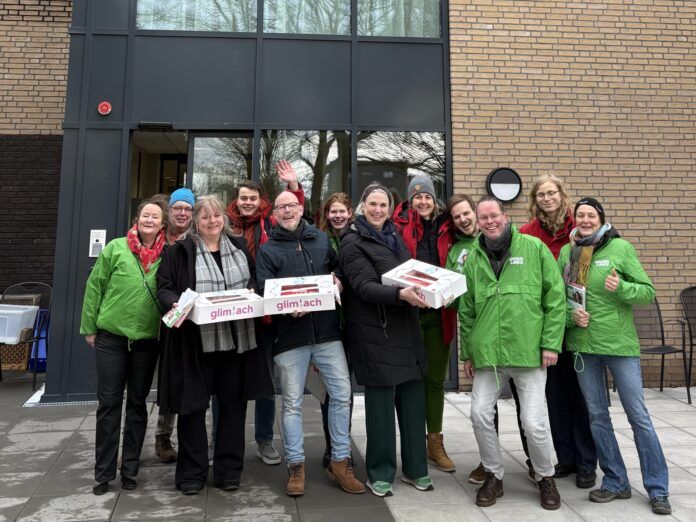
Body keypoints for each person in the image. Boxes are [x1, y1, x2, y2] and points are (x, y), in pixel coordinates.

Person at [558, 197, 671, 515]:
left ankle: (658, 488)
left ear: (601, 219)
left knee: (638, 417)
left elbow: (647, 291)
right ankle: (615, 480)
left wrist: (621, 287)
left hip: (619, 346)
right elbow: (559, 297)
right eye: (580, 215)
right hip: (583, 347)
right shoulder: (569, 252)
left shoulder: (620, 248)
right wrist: (570, 317)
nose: (585, 220)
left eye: (591, 215)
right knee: (597, 416)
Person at [157, 195, 271, 495]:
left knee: (233, 408)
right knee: (192, 410)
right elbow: (164, 287)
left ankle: (229, 471)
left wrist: (252, 292)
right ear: (196, 221)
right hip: (195, 344)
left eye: (216, 215)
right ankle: (192, 474)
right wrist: (176, 303)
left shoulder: (240, 248)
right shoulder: (180, 251)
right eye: (205, 216)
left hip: (235, 344)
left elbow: (255, 281)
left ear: (224, 218)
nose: (212, 221)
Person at [256, 190, 365, 497]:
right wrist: (285, 307)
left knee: (341, 395)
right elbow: (264, 288)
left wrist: (337, 279)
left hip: (327, 334)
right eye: (281, 207)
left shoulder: (320, 239)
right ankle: (296, 465)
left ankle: (340, 461)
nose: (287, 211)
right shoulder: (268, 250)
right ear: (274, 214)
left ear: (300, 208)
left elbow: (338, 268)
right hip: (290, 338)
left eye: (292, 205)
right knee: (291, 403)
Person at [459, 196, 565, 510]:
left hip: (527, 350)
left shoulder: (534, 248)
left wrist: (550, 344)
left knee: (533, 422)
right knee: (479, 413)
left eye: (494, 215)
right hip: (488, 354)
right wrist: (468, 353)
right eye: (483, 218)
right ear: (478, 222)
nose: (489, 221)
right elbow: (467, 310)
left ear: (505, 216)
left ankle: (545, 476)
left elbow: (555, 299)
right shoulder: (473, 258)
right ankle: (494, 474)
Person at [340, 183, 433, 497]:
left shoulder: (395, 236)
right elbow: (364, 287)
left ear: (390, 209)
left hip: (406, 329)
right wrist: (400, 295)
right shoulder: (352, 241)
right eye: (373, 204)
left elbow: (410, 274)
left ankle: (416, 469)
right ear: (362, 206)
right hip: (375, 332)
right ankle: (380, 472)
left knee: (413, 402)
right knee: (380, 408)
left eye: (383, 205)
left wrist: (430, 290)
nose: (378, 210)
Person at [80, 198, 168, 495]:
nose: (149, 220)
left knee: (137, 405)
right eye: (145, 215)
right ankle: (103, 472)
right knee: (109, 405)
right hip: (111, 339)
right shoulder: (116, 248)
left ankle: (130, 468)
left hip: (146, 341)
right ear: (137, 219)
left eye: (155, 217)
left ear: (162, 224)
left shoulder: (166, 254)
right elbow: (95, 286)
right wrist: (89, 326)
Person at [223, 160, 305, 466]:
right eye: (243, 197)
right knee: (226, 382)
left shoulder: (270, 222)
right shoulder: (224, 224)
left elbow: (294, 213)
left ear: (261, 201)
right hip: (231, 314)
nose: (247, 202)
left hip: (266, 316)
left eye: (253, 198)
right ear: (237, 199)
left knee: (265, 381)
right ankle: (221, 439)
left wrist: (293, 186)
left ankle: (265, 439)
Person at [520, 175, 597, 489]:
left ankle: (586, 462)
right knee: (555, 396)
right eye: (541, 194)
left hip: (576, 323)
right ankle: (565, 458)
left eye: (552, 192)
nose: (547, 198)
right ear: (535, 199)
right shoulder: (527, 233)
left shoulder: (578, 230)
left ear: (562, 195)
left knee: (580, 396)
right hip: (545, 326)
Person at [392, 176, 456, 473]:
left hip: (440, 313)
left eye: (427, 196)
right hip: (409, 312)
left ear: (434, 199)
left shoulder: (448, 225)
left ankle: (435, 441)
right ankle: (413, 442)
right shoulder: (398, 225)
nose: (422, 201)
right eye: (417, 196)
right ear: (410, 200)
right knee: (410, 380)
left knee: (435, 379)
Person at [151, 188, 196, 464]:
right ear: (169, 211)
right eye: (178, 208)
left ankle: (163, 436)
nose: (182, 213)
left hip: (178, 320)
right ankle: (129, 446)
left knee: (172, 381)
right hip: (147, 318)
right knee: (139, 386)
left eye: (187, 209)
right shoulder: (152, 237)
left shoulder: (195, 240)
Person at [318, 192, 355, 468]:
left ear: (350, 213)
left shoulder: (358, 237)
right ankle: (331, 446)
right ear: (327, 214)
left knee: (345, 389)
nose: (338, 216)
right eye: (333, 211)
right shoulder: (320, 240)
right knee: (329, 389)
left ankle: (343, 446)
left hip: (354, 321)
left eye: (342, 211)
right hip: (329, 322)